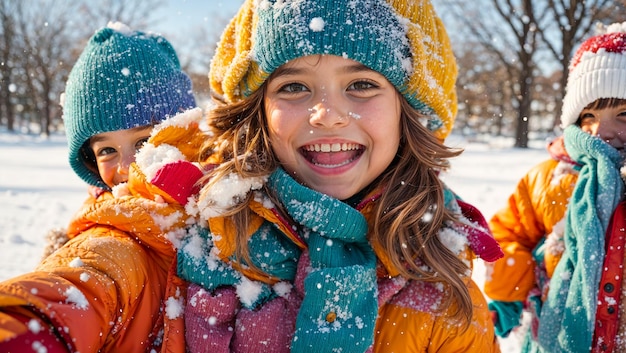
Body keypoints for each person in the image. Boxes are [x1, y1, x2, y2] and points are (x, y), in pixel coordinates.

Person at [162, 0, 503, 352]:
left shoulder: (444, 294)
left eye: (361, 84)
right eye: (294, 87)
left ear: (409, 112)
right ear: (257, 112)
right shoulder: (185, 230)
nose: (327, 115)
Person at [0, 22, 200, 352]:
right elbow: (83, 282)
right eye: (106, 150)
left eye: (143, 141)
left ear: (183, 133)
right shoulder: (115, 234)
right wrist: (27, 327)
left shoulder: (232, 203)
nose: (124, 166)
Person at [484, 21, 626, 353]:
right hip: (556, 332)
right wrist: (509, 289)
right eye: (589, 115)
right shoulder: (549, 177)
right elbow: (506, 235)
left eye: (623, 113)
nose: (602, 131)